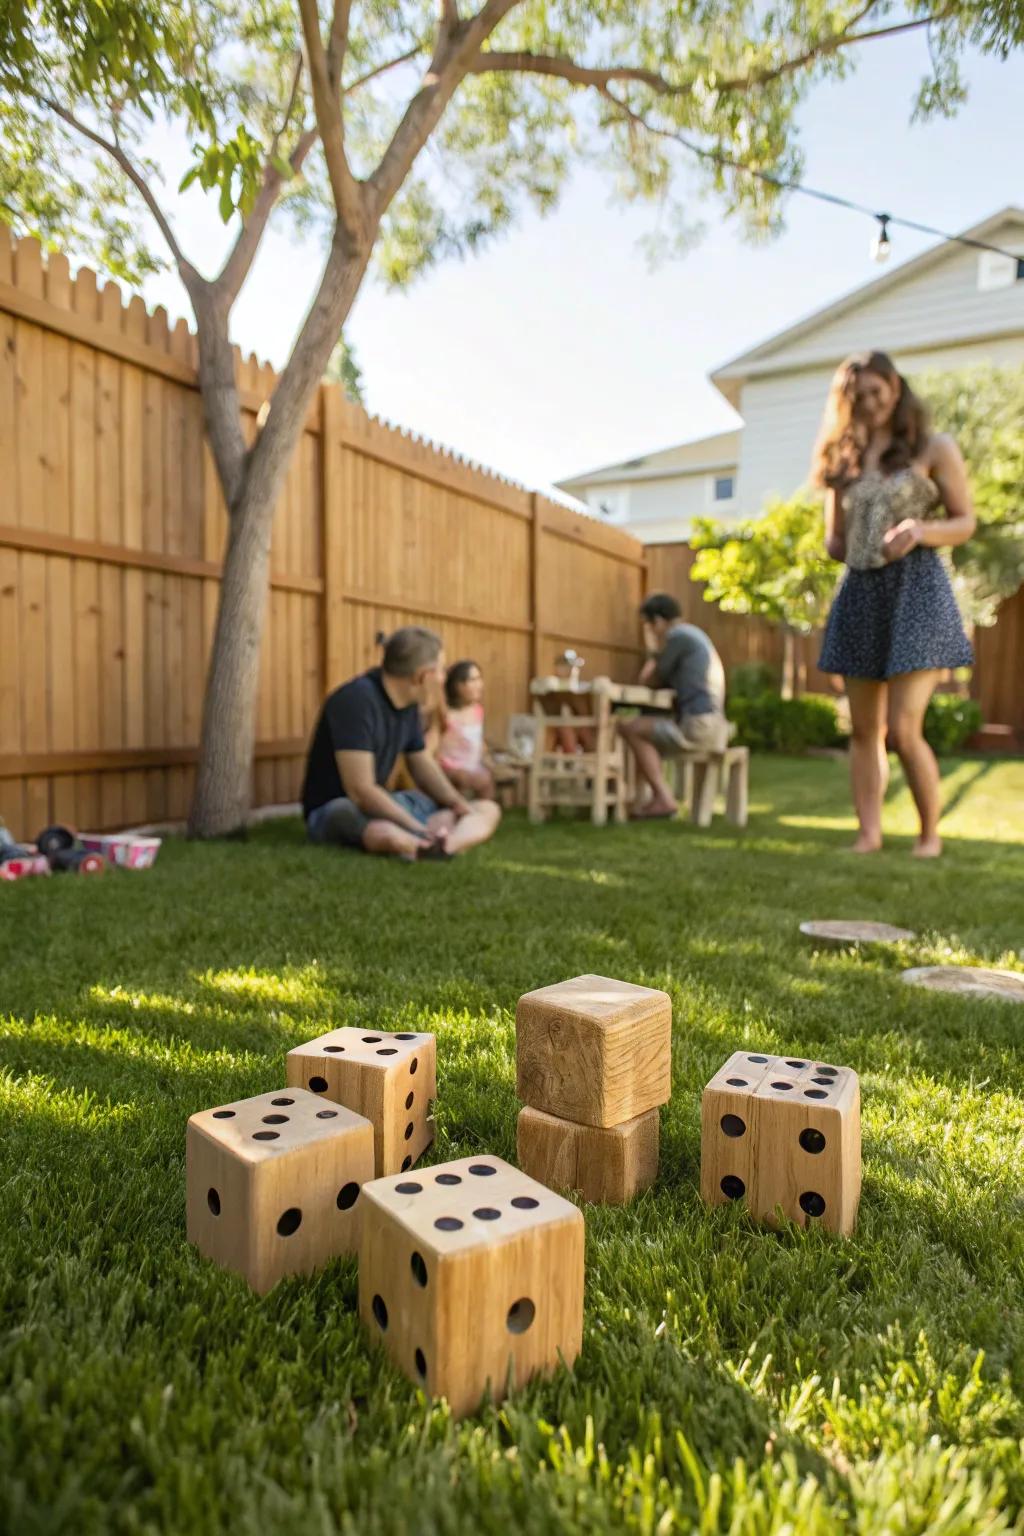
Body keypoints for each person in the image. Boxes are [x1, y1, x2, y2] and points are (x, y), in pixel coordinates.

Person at [813, 349, 975, 858]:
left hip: (918, 590)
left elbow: (965, 521)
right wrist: (849, 539)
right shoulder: (845, 459)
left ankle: (929, 836)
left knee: (904, 729)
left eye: (875, 393)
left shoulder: (933, 446)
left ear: (896, 388)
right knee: (864, 730)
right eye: (856, 397)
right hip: (861, 592)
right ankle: (869, 834)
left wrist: (921, 529)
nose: (867, 404)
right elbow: (833, 541)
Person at [302, 626, 501, 859]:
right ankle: (417, 841)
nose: (443, 678)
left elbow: (421, 763)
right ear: (422, 676)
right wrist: (416, 826)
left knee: (487, 809)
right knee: (375, 827)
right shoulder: (356, 701)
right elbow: (361, 791)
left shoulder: (408, 706)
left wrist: (457, 804)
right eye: (440, 670)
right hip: (338, 809)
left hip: (382, 803)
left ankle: (445, 846)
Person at [617, 593, 728, 819]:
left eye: (648, 626)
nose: (649, 631)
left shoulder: (678, 638)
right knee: (644, 727)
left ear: (657, 621)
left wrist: (651, 648)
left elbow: (649, 680)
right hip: (714, 724)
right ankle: (647, 798)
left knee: (629, 728)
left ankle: (663, 798)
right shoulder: (693, 635)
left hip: (698, 727)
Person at [438, 660, 496, 799]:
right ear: (458, 685)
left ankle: (483, 814)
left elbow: (477, 740)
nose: (480, 685)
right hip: (449, 768)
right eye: (473, 680)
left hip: (473, 766)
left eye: (480, 679)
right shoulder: (446, 714)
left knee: (486, 777)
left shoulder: (477, 710)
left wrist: (487, 756)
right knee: (482, 779)